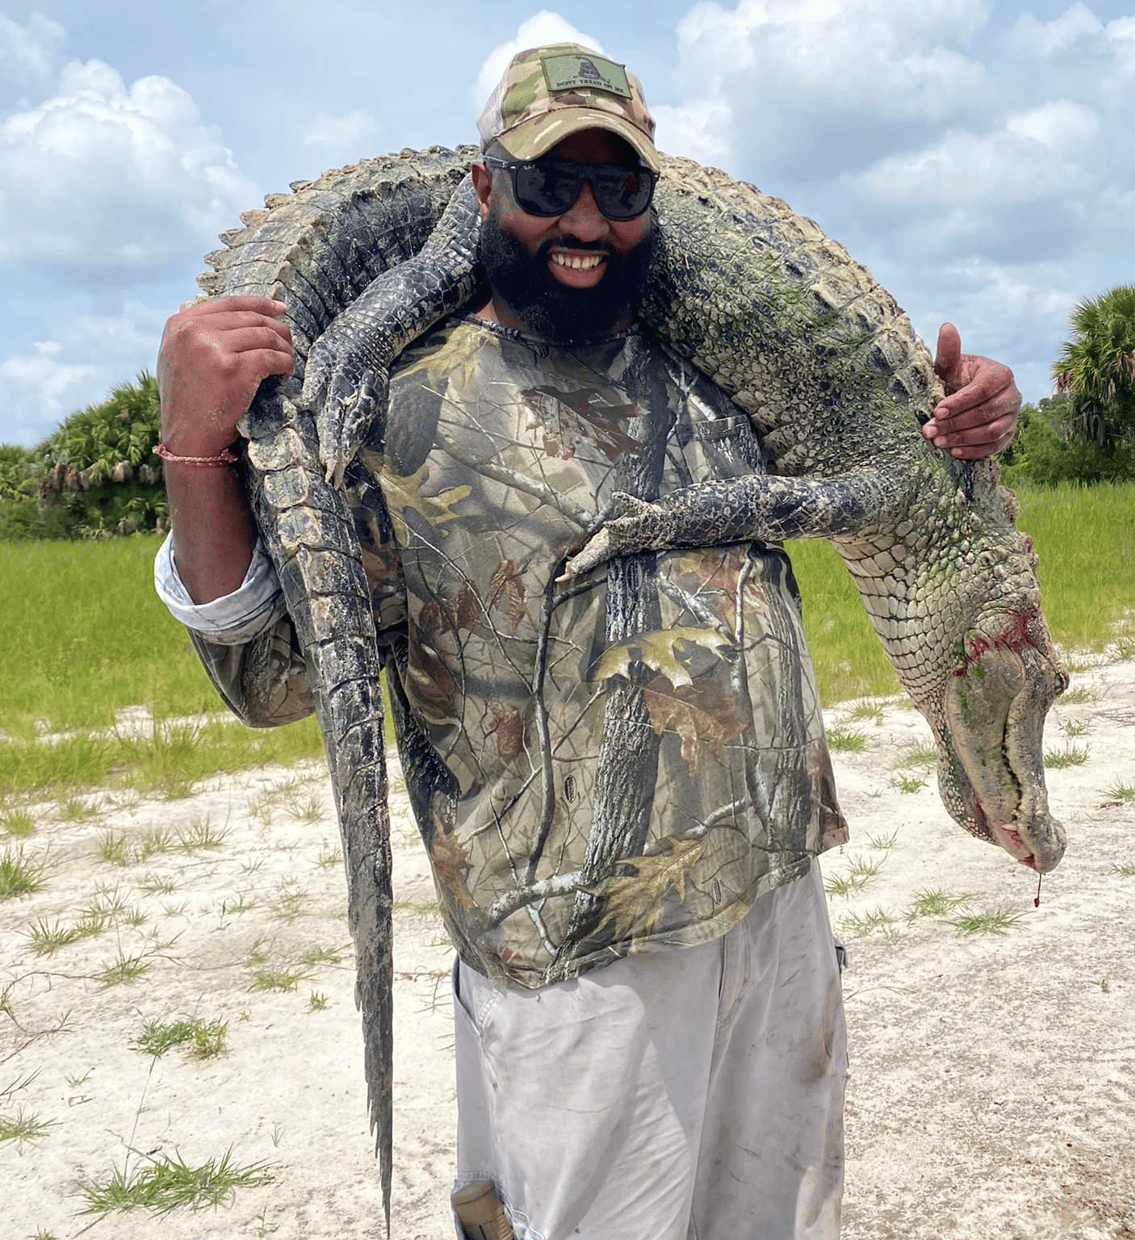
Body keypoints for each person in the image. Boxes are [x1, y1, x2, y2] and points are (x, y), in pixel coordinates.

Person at [155, 44, 1022, 1240]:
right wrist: (193, 452)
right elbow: (269, 676)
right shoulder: (399, 408)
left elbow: (890, 473)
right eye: (547, 182)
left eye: (620, 193)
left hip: (774, 902)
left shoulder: (712, 378)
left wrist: (964, 415)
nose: (585, 220)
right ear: (478, 192)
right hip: (576, 963)